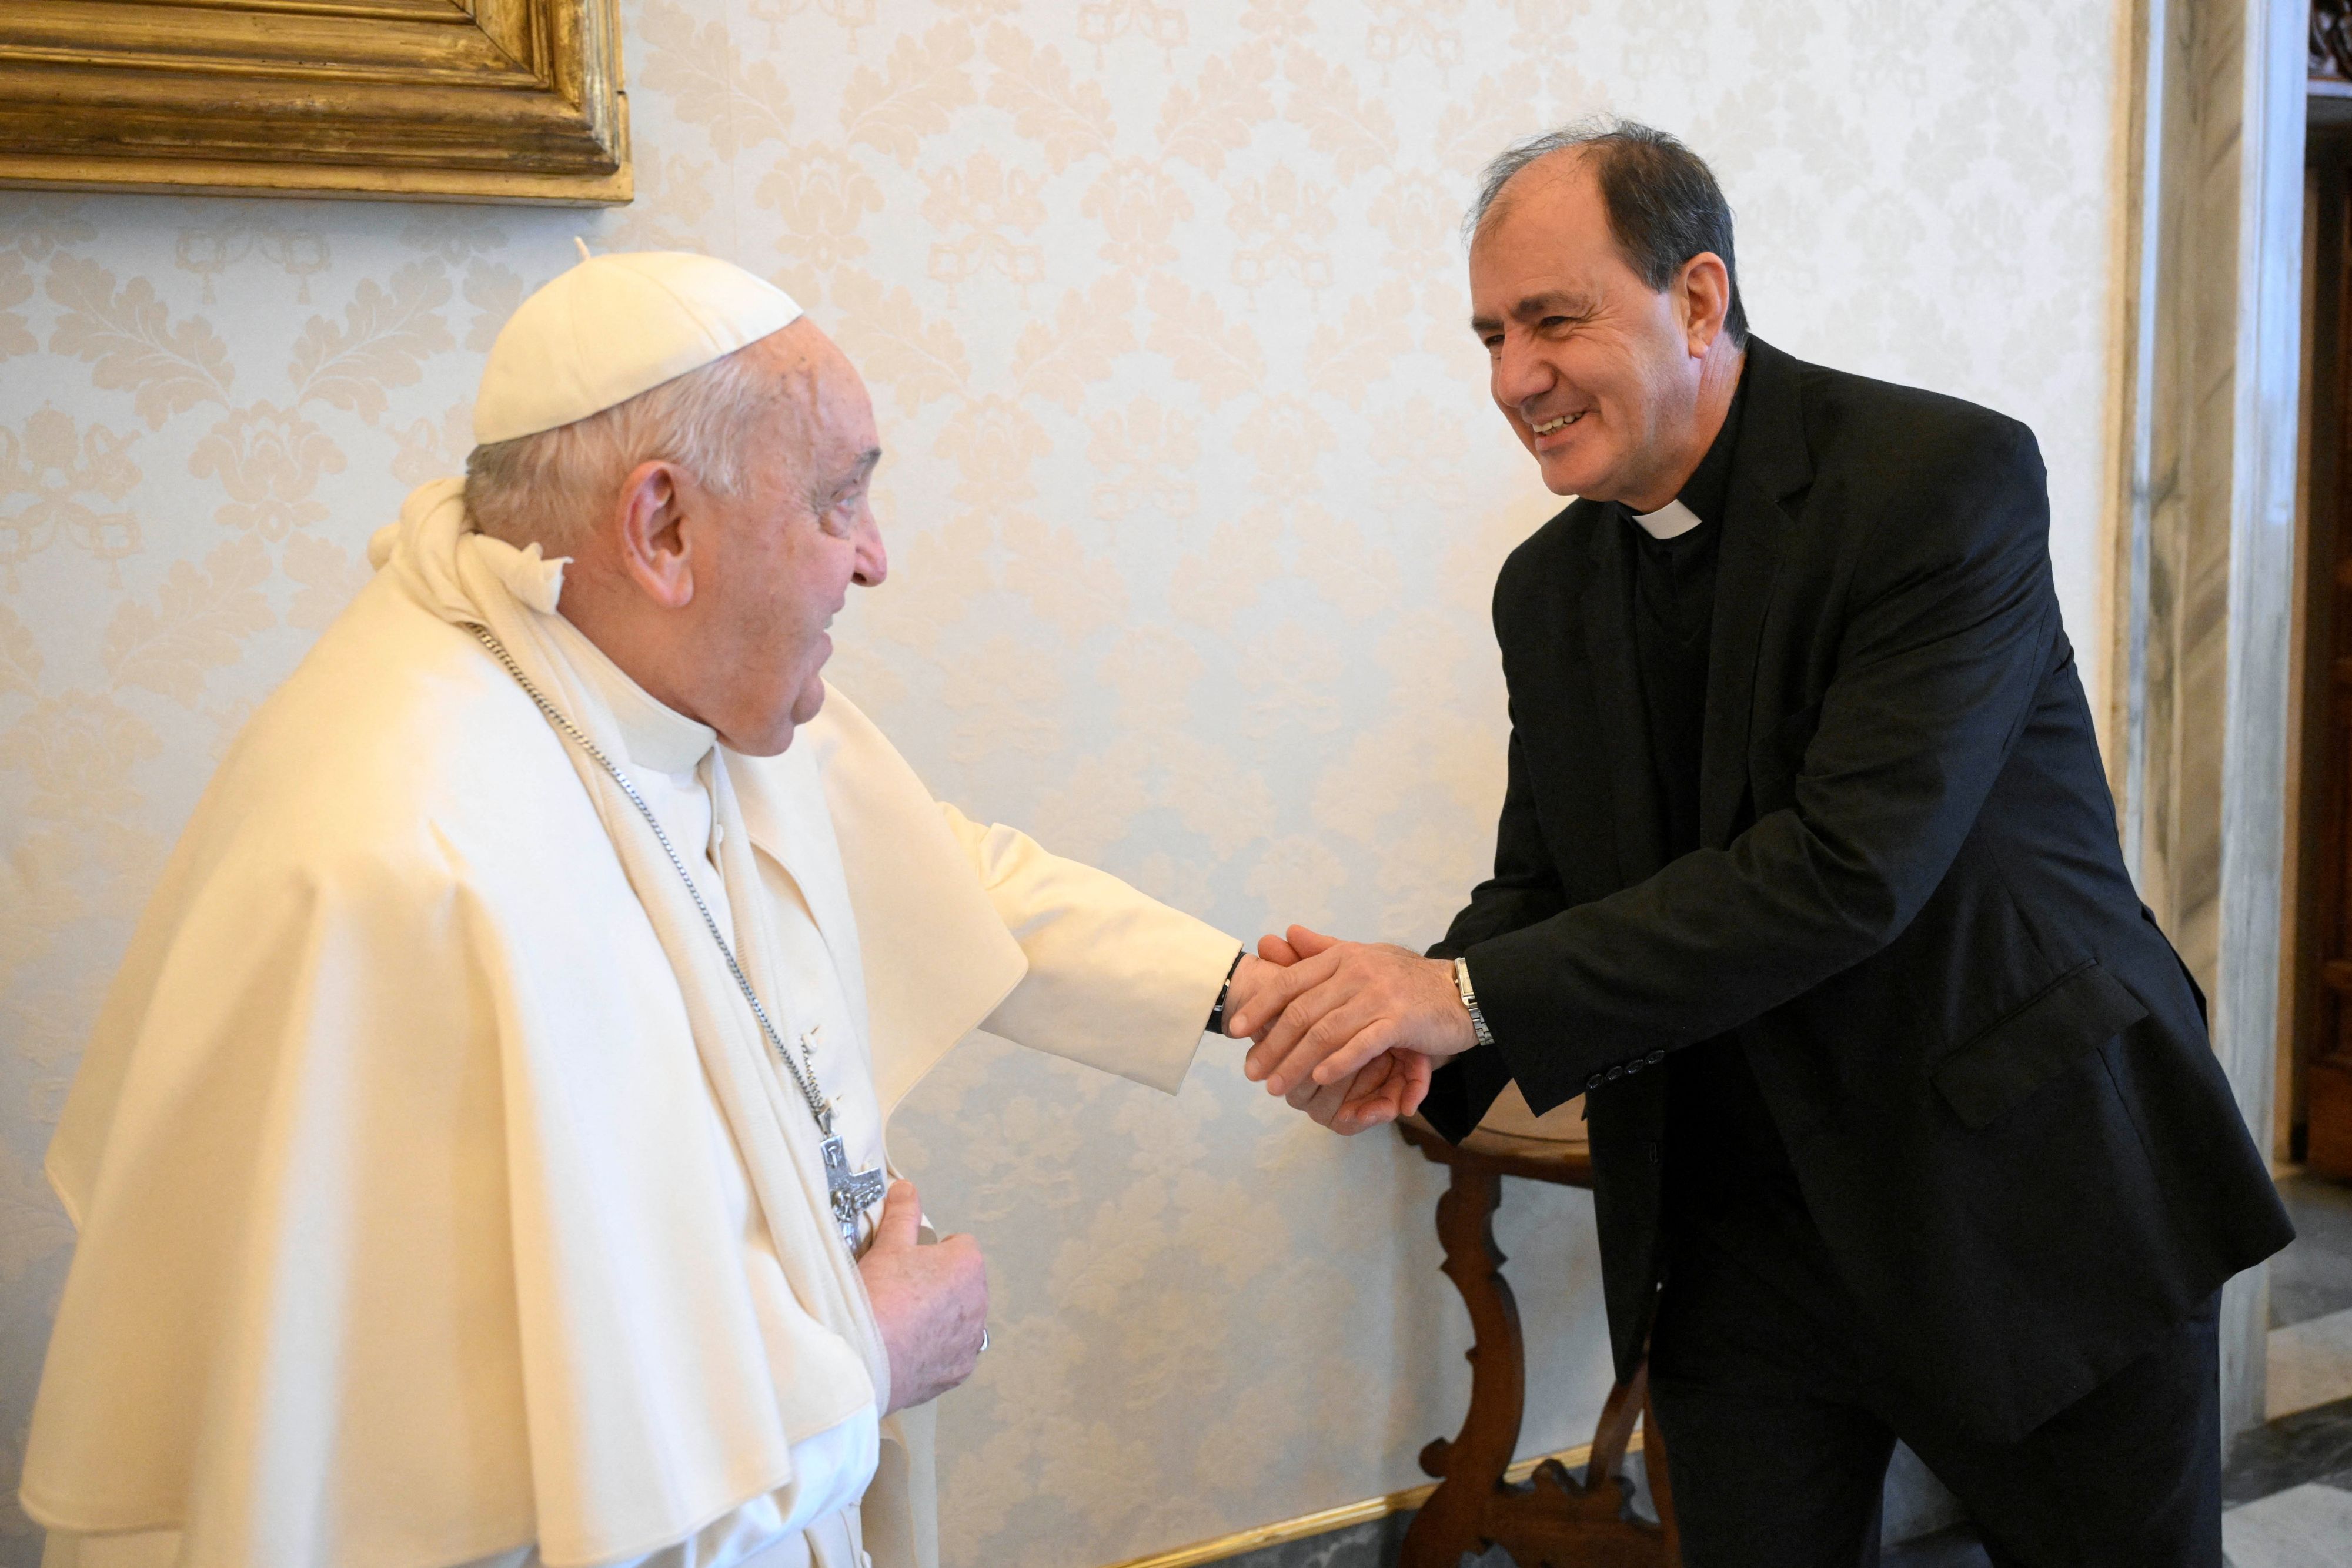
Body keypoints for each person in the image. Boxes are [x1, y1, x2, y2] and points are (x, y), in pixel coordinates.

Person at [18, 249, 1422, 1568]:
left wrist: (1256, 994)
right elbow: (437, 1473)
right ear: (663, 524)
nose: (873, 559)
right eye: (837, 500)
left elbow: (940, 872)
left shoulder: (621, 666)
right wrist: (860, 1361)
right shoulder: (412, 852)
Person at [1225, 121, 2295, 1566]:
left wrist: (1463, 994)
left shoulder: (1938, 479)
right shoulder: (1544, 591)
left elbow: (1847, 867)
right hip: (1735, 1241)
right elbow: (1544, 881)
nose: (1510, 378)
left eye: (1552, 319)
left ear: (1698, 298)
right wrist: (1407, 1017)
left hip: (2029, 1191)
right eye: (1488, 334)